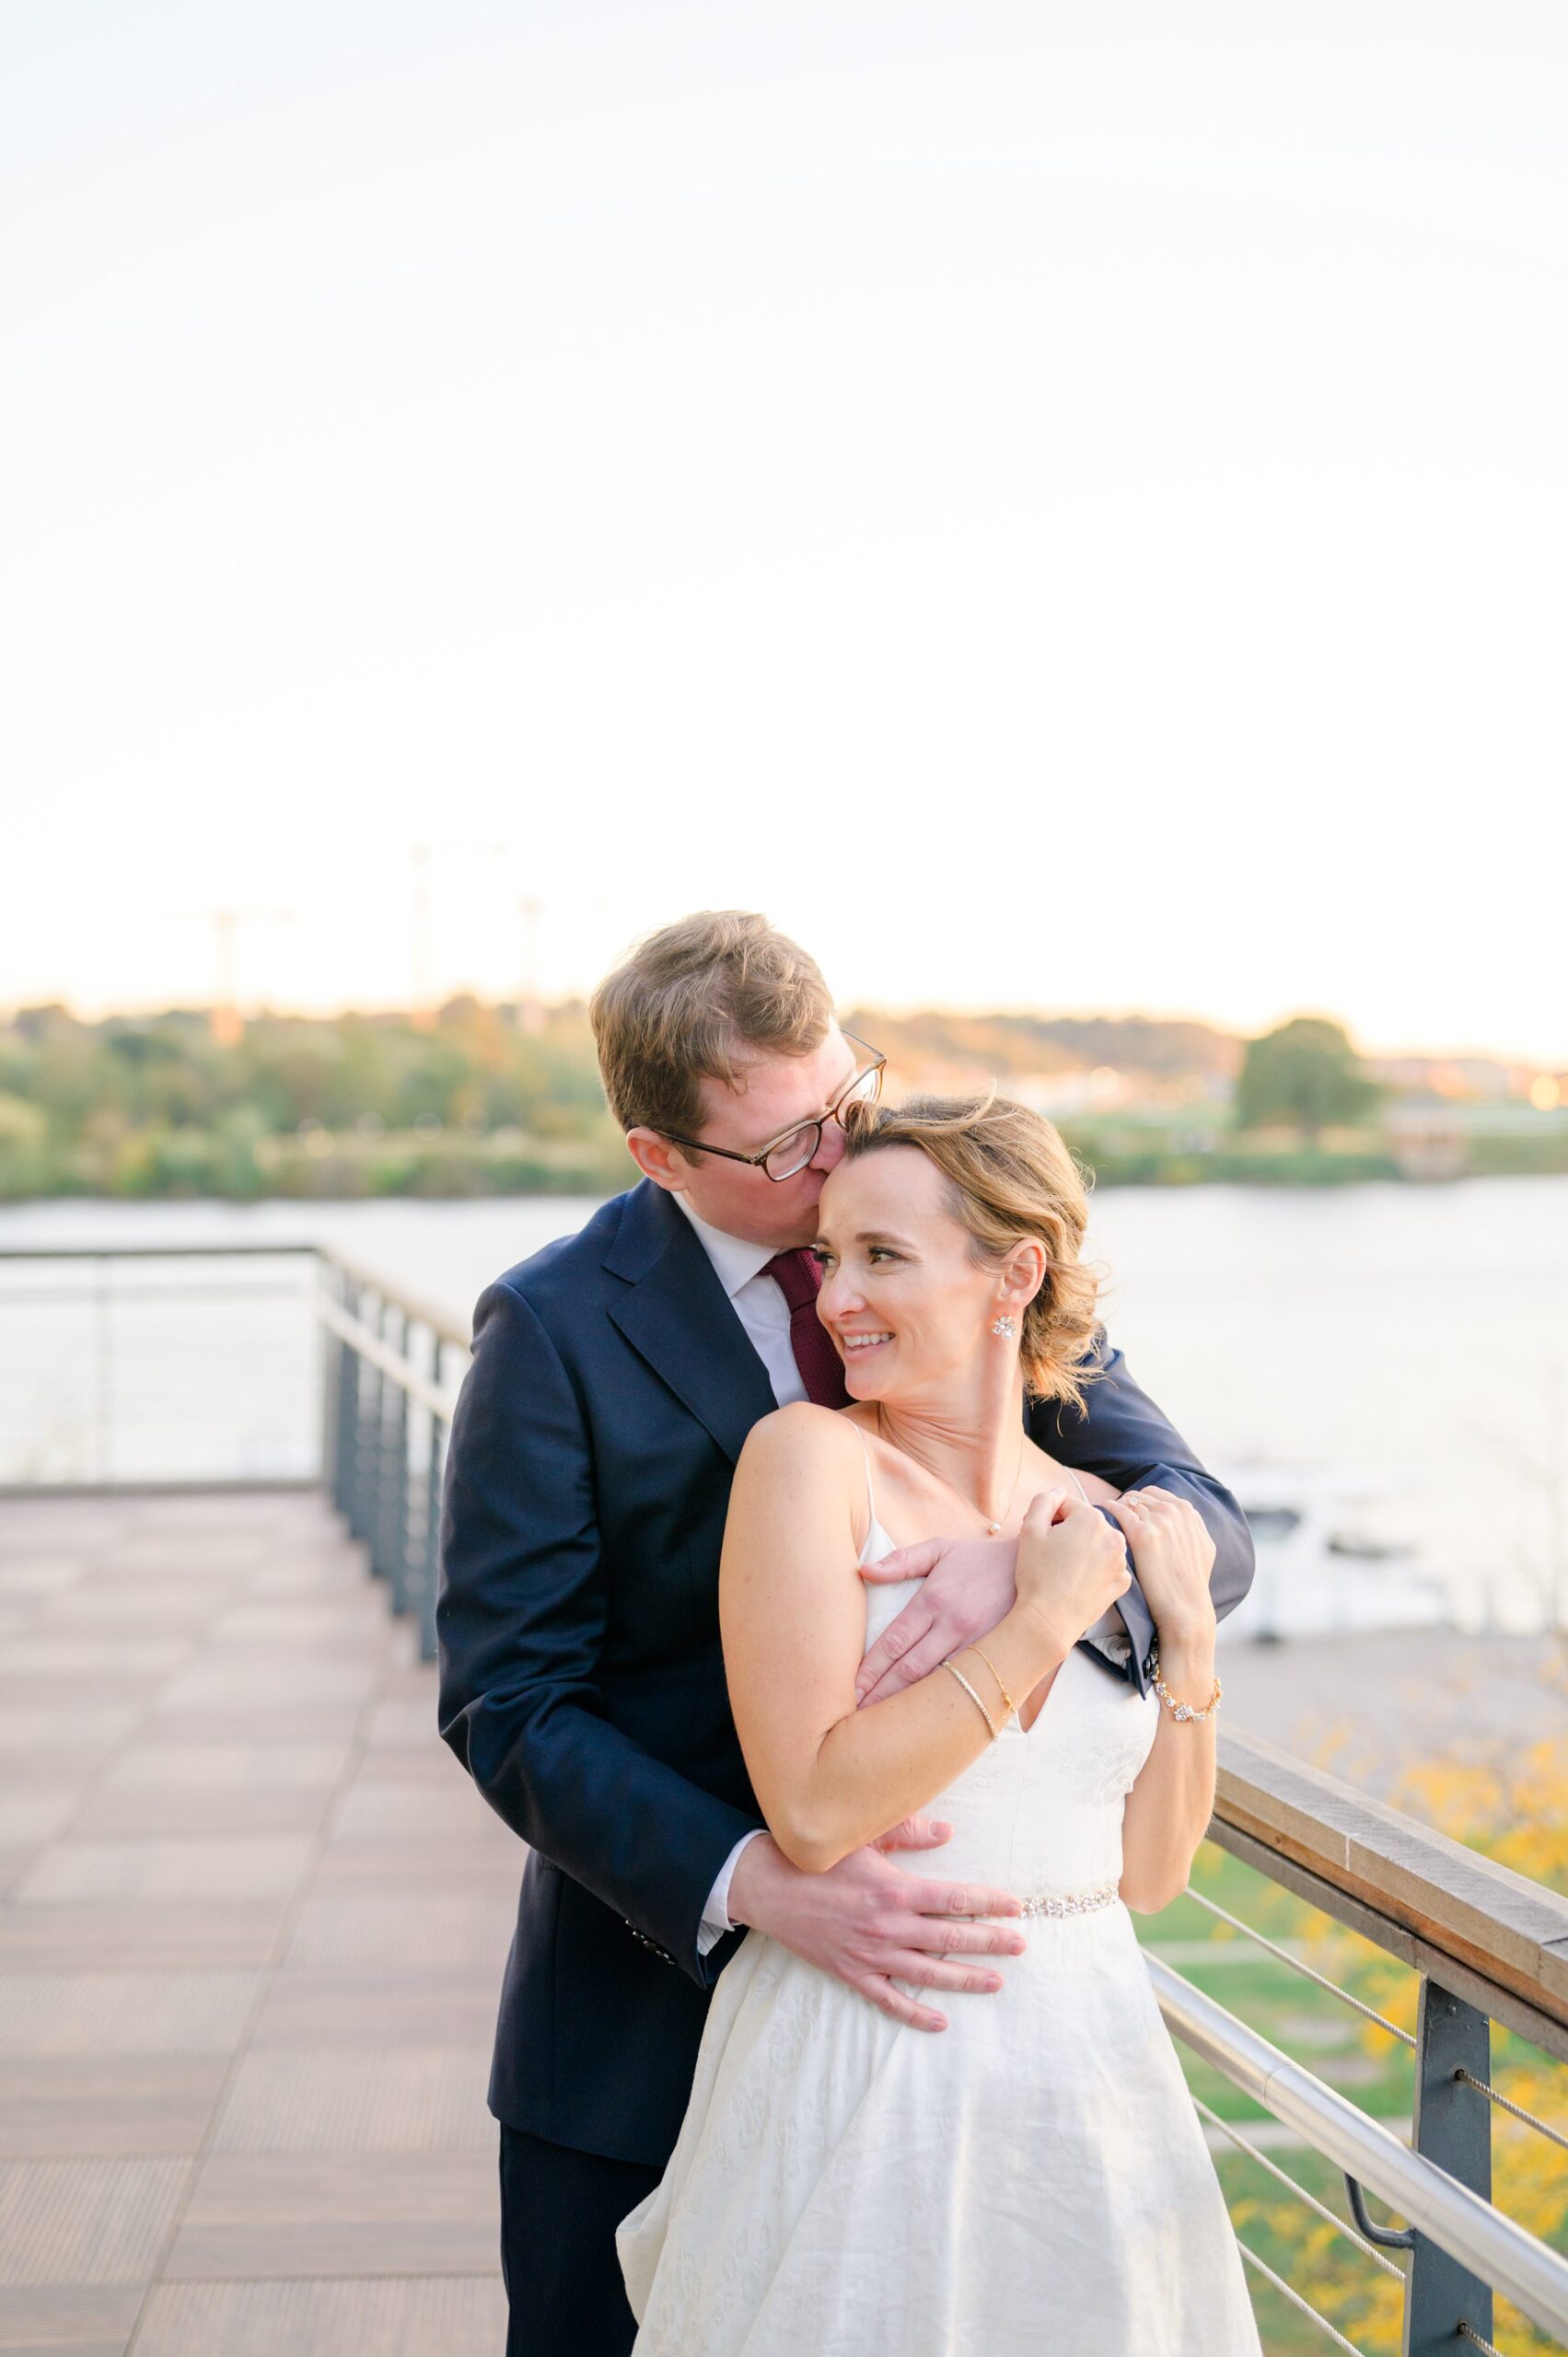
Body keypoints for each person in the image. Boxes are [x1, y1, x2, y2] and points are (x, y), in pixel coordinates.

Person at [436, 911, 1254, 2357]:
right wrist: (756, 1881)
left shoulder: (944, 1226)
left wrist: (1029, 1569)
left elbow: (1195, 1515)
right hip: (645, 1998)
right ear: (661, 1157)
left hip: (1004, 2037)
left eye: (844, 1106)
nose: (832, 1164)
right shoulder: (554, 1327)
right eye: (782, 1151)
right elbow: (511, 1702)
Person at [616, 1092, 1263, 2352]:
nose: (834, 1298)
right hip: (871, 2058)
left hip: (1088, 2069)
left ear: (1013, 1274)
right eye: (830, 1258)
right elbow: (812, 1810)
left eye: (881, 1258)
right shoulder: (809, 1461)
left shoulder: (1096, 1509)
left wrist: (1188, 1645)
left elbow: (1153, 1873)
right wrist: (1036, 1618)